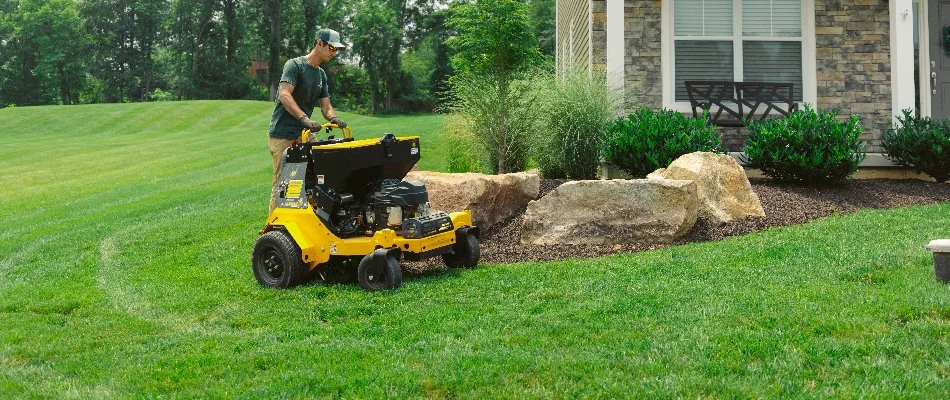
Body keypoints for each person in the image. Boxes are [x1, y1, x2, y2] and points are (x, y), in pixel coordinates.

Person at [268, 28, 348, 213]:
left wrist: (334, 118)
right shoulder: (294, 65)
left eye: (336, 50)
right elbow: (284, 95)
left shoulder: (321, 75)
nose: (333, 53)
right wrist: (303, 117)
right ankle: (271, 232)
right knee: (283, 184)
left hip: (304, 134)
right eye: (331, 48)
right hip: (283, 134)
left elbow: (326, 107)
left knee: (323, 169)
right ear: (319, 43)